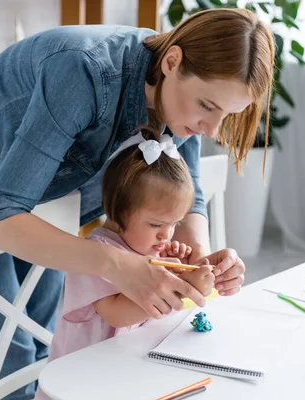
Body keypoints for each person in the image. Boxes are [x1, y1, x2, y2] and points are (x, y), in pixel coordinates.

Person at [0, 8, 274, 399]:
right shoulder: (83, 73)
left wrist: (201, 262)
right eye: (208, 107)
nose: (212, 129)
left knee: (49, 339)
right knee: (15, 357)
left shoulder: (179, 95)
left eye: (228, 114)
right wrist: (116, 263)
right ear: (172, 61)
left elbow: (188, 190)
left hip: (46, 193)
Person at [34, 131, 216, 400]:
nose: (166, 235)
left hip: (125, 370)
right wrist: (182, 287)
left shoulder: (147, 245)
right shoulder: (97, 255)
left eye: (175, 224)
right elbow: (117, 314)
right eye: (156, 224)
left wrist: (176, 268)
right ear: (118, 211)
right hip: (83, 383)